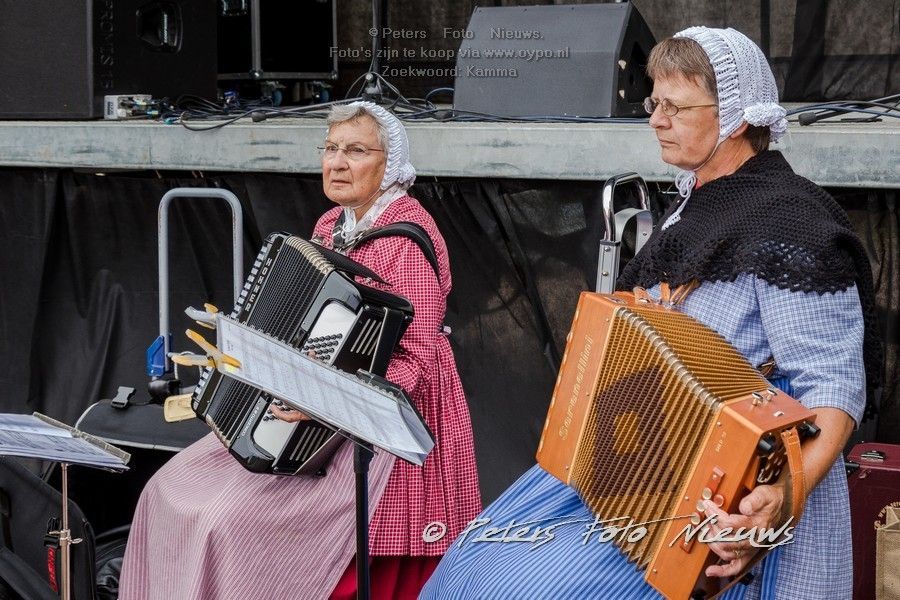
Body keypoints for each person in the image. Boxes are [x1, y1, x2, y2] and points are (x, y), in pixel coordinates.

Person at [421, 26, 880, 599]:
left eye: (675, 107)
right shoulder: (695, 201)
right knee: (471, 567)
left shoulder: (792, 222)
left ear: (737, 118)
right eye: (654, 104)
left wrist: (784, 496)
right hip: (646, 467)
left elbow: (834, 389)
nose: (657, 121)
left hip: (735, 492)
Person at [119, 101, 481, 600]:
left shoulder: (408, 241)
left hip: (380, 427)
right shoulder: (331, 224)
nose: (337, 163)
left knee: (228, 522)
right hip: (312, 413)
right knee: (166, 488)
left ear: (391, 163)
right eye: (330, 149)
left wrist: (323, 397)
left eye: (356, 151)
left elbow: (414, 361)